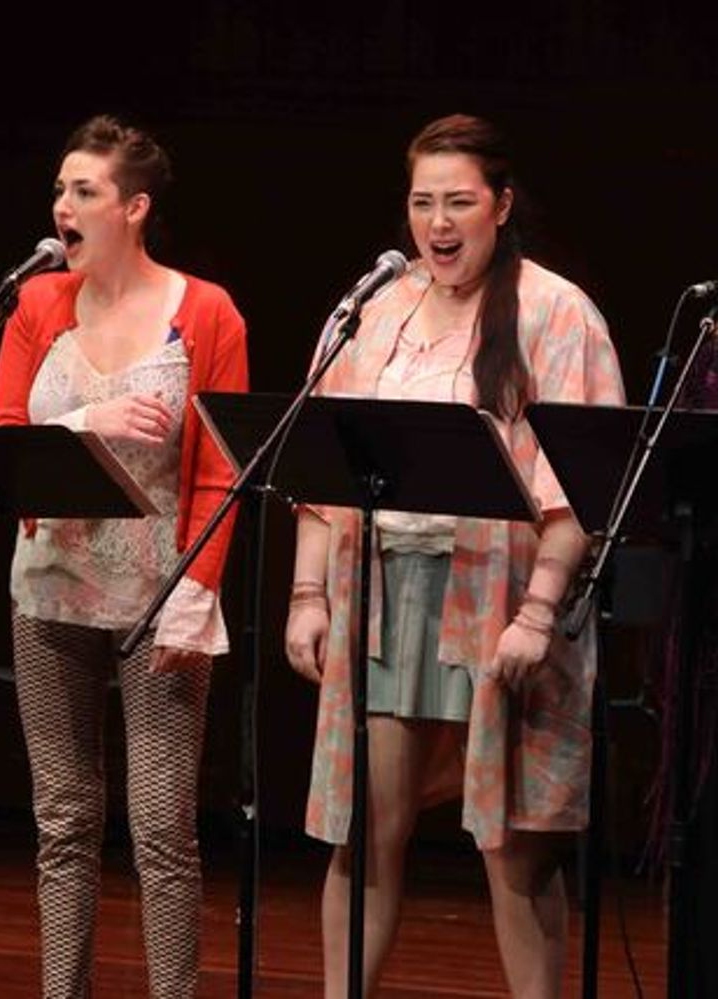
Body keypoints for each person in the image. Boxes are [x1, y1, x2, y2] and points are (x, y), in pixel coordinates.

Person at [283, 113, 625, 997]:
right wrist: (307, 593)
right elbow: (321, 456)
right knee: (364, 828)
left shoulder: (556, 311)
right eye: (422, 202)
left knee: (513, 846)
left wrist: (540, 613)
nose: (438, 223)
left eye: (459, 202)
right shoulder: (375, 309)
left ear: (501, 205)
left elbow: (582, 485)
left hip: (501, 598)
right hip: (385, 596)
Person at [0, 114, 249, 998]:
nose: (62, 205)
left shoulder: (204, 311)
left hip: (159, 591)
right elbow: (3, 440)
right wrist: (84, 423)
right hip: (49, 587)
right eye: (60, 189)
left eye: (83, 191)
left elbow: (220, 471)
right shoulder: (36, 303)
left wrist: (196, 593)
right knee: (62, 819)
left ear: (133, 208)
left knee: (161, 825)